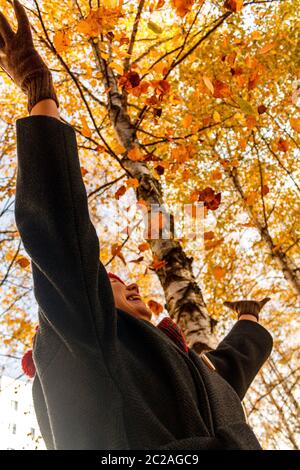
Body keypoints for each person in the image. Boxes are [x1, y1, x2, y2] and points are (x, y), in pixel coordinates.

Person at [1, 1, 274, 450]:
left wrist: (247, 319)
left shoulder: (181, 363)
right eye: (112, 281)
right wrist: (38, 91)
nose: (132, 286)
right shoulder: (83, 339)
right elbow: (61, 247)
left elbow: (227, 371)